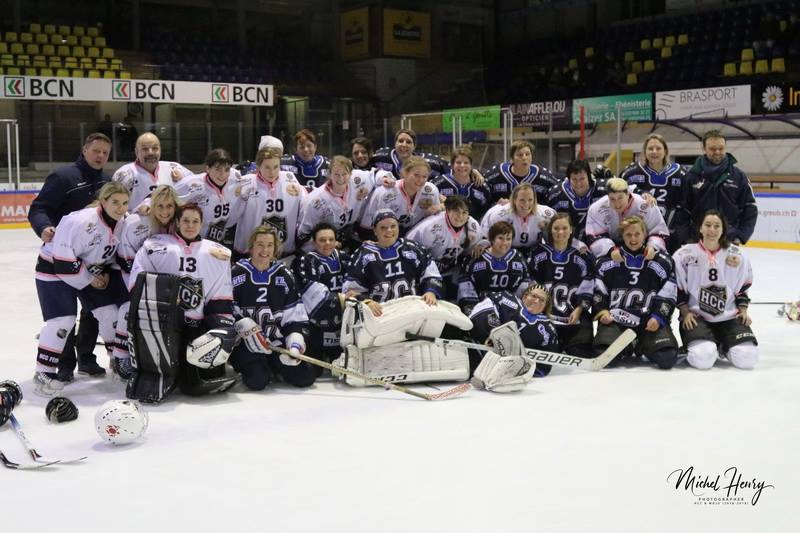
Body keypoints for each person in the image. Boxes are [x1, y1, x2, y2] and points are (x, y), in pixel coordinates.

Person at [126, 204, 237, 401]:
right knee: (163, 373)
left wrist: (218, 328)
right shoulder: (155, 245)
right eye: (185, 220)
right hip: (163, 324)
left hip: (197, 326)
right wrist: (164, 297)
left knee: (193, 382)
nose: (190, 225)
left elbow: (221, 295)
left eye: (195, 221)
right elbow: (138, 280)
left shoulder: (217, 253)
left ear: (202, 224)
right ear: (177, 222)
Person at [28, 132, 113, 380]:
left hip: (93, 259)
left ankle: (87, 359)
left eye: (105, 153)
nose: (100, 156)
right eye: (96, 150)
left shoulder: (107, 181)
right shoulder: (64, 176)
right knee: (65, 314)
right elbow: (39, 208)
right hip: (63, 259)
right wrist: (44, 227)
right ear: (84, 149)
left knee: (92, 312)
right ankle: (65, 364)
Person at [33, 182, 130, 396]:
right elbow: (63, 263)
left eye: (124, 203)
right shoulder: (79, 220)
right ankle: (43, 373)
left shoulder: (122, 222)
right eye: (115, 202)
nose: (120, 207)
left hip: (88, 271)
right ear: (103, 201)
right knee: (63, 321)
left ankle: (117, 362)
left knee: (110, 313)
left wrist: (104, 272)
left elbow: (111, 254)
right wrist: (90, 279)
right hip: (54, 268)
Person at [230, 225, 317, 390]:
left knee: (306, 376)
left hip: (276, 343)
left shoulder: (284, 275)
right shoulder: (237, 273)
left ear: (275, 248)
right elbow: (227, 310)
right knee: (257, 381)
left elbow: (295, 316)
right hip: (247, 345)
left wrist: (294, 344)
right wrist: (242, 326)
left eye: (270, 245)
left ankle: (275, 366)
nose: (265, 250)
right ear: (251, 247)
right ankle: (261, 367)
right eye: (260, 245)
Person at [673, 210, 758, 370]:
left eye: (717, 226)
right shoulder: (684, 254)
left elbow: (743, 288)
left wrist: (743, 310)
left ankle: (723, 345)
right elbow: (677, 289)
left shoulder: (738, 255)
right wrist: (685, 312)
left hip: (729, 317)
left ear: (723, 229)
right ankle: (706, 344)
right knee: (702, 360)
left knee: (748, 359)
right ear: (700, 228)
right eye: (708, 225)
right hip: (697, 317)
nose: (712, 230)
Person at [592, 216, 679, 369]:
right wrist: (603, 311)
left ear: (645, 234)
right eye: (628, 235)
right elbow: (599, 291)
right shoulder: (606, 262)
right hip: (617, 320)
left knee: (667, 359)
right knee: (607, 359)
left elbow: (668, 293)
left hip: (648, 321)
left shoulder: (663, 261)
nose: (633, 239)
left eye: (637, 234)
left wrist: (658, 317)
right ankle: (629, 346)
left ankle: (640, 344)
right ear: (621, 236)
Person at [112, 184, 180, 365]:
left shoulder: (179, 221)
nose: (165, 212)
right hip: (132, 271)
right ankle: (120, 357)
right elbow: (125, 258)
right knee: (129, 307)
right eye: (160, 206)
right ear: (153, 205)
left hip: (164, 277)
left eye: (169, 206)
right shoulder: (136, 222)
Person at [343, 209, 443, 317]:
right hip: (380, 316)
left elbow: (433, 275)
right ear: (375, 230)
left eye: (393, 226)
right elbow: (350, 292)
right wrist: (367, 302)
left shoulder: (414, 249)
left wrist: (431, 291)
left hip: (413, 312)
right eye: (383, 227)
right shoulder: (363, 255)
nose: (389, 231)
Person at [529, 213, 595, 357]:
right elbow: (530, 282)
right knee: (546, 348)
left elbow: (588, 283)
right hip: (545, 315)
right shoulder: (538, 253)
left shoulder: (582, 255)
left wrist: (579, 309)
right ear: (550, 230)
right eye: (556, 228)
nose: (560, 232)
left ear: (571, 230)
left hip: (572, 314)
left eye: (564, 228)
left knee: (581, 352)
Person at [296, 155, 389, 253]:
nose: (340, 178)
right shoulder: (314, 201)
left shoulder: (357, 179)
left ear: (350, 174)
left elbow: (375, 173)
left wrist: (384, 178)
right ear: (329, 174)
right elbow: (302, 237)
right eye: (336, 174)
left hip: (350, 234)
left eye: (344, 174)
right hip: (324, 245)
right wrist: (327, 244)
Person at [682, 130, 758, 245]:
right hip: (697, 240)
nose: (717, 152)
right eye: (712, 149)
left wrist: (741, 235)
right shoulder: (691, 176)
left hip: (729, 239)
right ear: (704, 149)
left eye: (721, 148)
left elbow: (750, 207)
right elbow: (682, 209)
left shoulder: (738, 176)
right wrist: (687, 235)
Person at [231, 147, 306, 260]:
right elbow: (231, 217)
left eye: (276, 167)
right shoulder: (245, 183)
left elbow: (306, 205)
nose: (272, 172)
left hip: (284, 252)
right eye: (267, 167)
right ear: (258, 166)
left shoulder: (290, 179)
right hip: (249, 254)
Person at [469, 284, 560, 377]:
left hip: (507, 370)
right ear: (525, 296)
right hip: (477, 352)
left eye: (542, 300)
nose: (537, 301)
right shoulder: (506, 299)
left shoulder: (549, 328)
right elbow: (480, 311)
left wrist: (520, 369)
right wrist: (494, 336)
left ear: (545, 306)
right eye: (534, 296)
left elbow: (544, 366)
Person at [292, 223, 351, 366]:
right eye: (322, 240)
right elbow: (316, 298)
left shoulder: (345, 258)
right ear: (314, 242)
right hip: (316, 329)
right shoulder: (305, 261)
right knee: (311, 372)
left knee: (345, 367)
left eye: (331, 239)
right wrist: (345, 298)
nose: (327, 244)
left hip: (343, 328)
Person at [620, 134, 690, 252]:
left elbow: (688, 203)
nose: (654, 152)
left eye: (658, 148)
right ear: (644, 151)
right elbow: (618, 192)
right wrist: (639, 192)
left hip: (671, 233)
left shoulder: (680, 173)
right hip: (639, 234)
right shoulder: (631, 172)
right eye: (650, 148)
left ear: (665, 151)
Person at [406, 195, 481, 300]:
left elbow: (473, 248)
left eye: (464, 212)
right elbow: (410, 250)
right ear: (448, 210)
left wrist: (482, 245)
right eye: (456, 211)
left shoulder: (473, 226)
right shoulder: (431, 227)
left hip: (450, 269)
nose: (460, 216)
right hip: (426, 271)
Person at [173, 148, 245, 247]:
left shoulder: (235, 177)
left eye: (226, 170)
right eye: (217, 169)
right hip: (192, 243)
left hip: (218, 242)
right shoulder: (193, 184)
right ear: (208, 168)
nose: (223, 174)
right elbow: (165, 195)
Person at [457, 221, 530, 315]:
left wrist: (517, 310)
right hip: (480, 309)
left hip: (509, 310)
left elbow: (524, 286)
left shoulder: (519, 258)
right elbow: (466, 288)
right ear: (491, 239)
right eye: (500, 238)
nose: (505, 243)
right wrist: (472, 311)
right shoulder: (475, 257)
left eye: (508, 239)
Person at [585, 177, 669, 258]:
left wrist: (652, 247)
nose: (617, 204)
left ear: (628, 194)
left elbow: (659, 232)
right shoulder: (597, 208)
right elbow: (594, 236)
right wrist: (610, 250)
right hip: (611, 252)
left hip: (643, 249)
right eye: (612, 199)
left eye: (620, 197)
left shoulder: (646, 204)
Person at [359, 155, 441, 237]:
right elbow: (368, 227)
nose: (421, 180)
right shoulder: (384, 192)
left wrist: (441, 207)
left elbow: (438, 217)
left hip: (415, 238)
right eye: (416, 175)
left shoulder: (431, 191)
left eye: (425, 176)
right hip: (385, 238)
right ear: (405, 173)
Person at [112, 132, 193, 213]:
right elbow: (113, 207)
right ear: (136, 152)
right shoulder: (125, 174)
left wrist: (184, 181)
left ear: (160, 150)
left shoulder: (174, 168)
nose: (150, 152)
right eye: (145, 149)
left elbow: (199, 186)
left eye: (155, 148)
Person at [479, 183, 556, 256]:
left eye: (530, 200)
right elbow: (485, 230)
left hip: (535, 250)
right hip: (506, 250)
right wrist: (484, 243)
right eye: (522, 200)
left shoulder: (546, 214)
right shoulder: (499, 214)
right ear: (514, 200)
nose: (526, 204)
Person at [545, 159, 606, 242]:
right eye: (574, 179)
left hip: (600, 240)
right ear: (568, 179)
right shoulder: (556, 195)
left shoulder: (604, 191)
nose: (579, 184)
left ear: (589, 176)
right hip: (568, 244)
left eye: (582, 179)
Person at [484, 139, 558, 204]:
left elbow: (558, 186)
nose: (524, 158)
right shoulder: (498, 172)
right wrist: (496, 205)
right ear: (512, 159)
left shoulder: (542, 175)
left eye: (527, 154)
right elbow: (482, 183)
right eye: (520, 155)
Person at [431, 145, 491, 220]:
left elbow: (487, 211)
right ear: (452, 165)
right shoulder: (438, 184)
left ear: (471, 165)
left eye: (466, 163)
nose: (462, 165)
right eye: (458, 162)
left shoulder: (481, 185)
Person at [372, 128, 449, 179]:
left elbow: (450, 173)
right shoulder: (380, 157)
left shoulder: (432, 163)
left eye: (408, 142)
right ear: (395, 144)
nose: (404, 145)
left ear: (414, 146)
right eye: (400, 141)